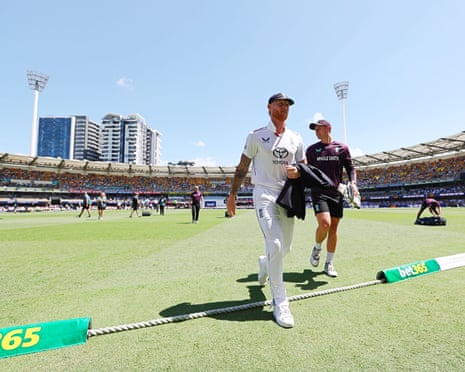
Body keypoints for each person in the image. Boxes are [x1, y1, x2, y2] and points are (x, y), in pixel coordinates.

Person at [227, 92, 305, 328]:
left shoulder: (296, 138)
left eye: (288, 105)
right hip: (264, 194)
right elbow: (242, 167)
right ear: (269, 107)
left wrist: (298, 172)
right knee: (277, 245)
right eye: (280, 104)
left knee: (285, 249)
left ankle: (265, 264)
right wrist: (232, 194)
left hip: (287, 196)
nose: (285, 108)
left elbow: (303, 166)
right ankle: (281, 303)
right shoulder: (256, 136)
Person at [306, 119, 359, 278]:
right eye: (314, 129)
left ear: (328, 128)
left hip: (337, 193)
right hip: (318, 192)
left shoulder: (342, 148)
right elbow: (308, 171)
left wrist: (353, 184)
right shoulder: (311, 150)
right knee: (325, 223)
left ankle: (329, 263)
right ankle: (317, 248)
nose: (316, 131)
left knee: (334, 228)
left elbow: (351, 168)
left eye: (319, 128)